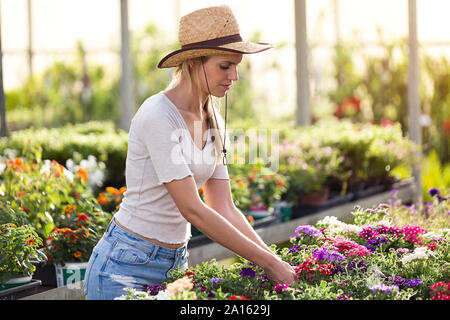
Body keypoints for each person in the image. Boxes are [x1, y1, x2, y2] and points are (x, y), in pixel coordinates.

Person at [83, 5, 297, 300]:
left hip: (175, 266)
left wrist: (275, 262)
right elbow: (192, 208)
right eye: (225, 66)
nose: (234, 76)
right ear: (195, 62)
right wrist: (270, 264)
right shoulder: (158, 115)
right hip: (124, 265)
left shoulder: (214, 122)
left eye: (236, 66)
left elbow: (223, 207)